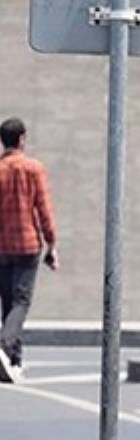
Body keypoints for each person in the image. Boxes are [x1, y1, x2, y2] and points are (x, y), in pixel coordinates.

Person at [0, 118, 59, 383]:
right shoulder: (34, 168)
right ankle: (4, 346)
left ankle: (13, 362)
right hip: (27, 244)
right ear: (22, 139)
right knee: (21, 302)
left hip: (2, 245)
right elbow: (44, 209)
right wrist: (52, 244)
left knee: (8, 302)